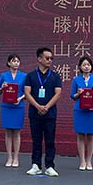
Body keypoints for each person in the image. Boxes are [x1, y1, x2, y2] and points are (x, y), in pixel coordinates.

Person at [23, 47, 63, 177]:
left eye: (51, 58)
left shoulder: (55, 76)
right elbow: (27, 93)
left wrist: (46, 107)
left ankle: (50, 166)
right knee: (36, 140)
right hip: (35, 113)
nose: (50, 60)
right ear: (39, 59)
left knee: (50, 140)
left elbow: (58, 93)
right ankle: (36, 165)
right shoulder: (31, 76)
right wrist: (38, 106)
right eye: (47, 58)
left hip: (50, 114)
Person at [0, 54, 24, 167]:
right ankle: (9, 157)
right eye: (14, 61)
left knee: (16, 132)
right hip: (7, 106)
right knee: (8, 132)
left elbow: (27, 92)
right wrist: (2, 87)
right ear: (9, 63)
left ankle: (16, 158)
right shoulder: (4, 75)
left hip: (18, 106)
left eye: (18, 61)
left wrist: (20, 98)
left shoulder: (24, 76)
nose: (16, 63)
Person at [70, 56, 93, 170]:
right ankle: (82, 160)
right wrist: (79, 93)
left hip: (92, 111)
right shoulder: (76, 80)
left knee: (91, 135)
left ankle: (89, 161)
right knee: (80, 135)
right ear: (80, 67)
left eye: (88, 65)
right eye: (84, 65)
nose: (86, 67)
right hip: (80, 110)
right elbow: (73, 96)